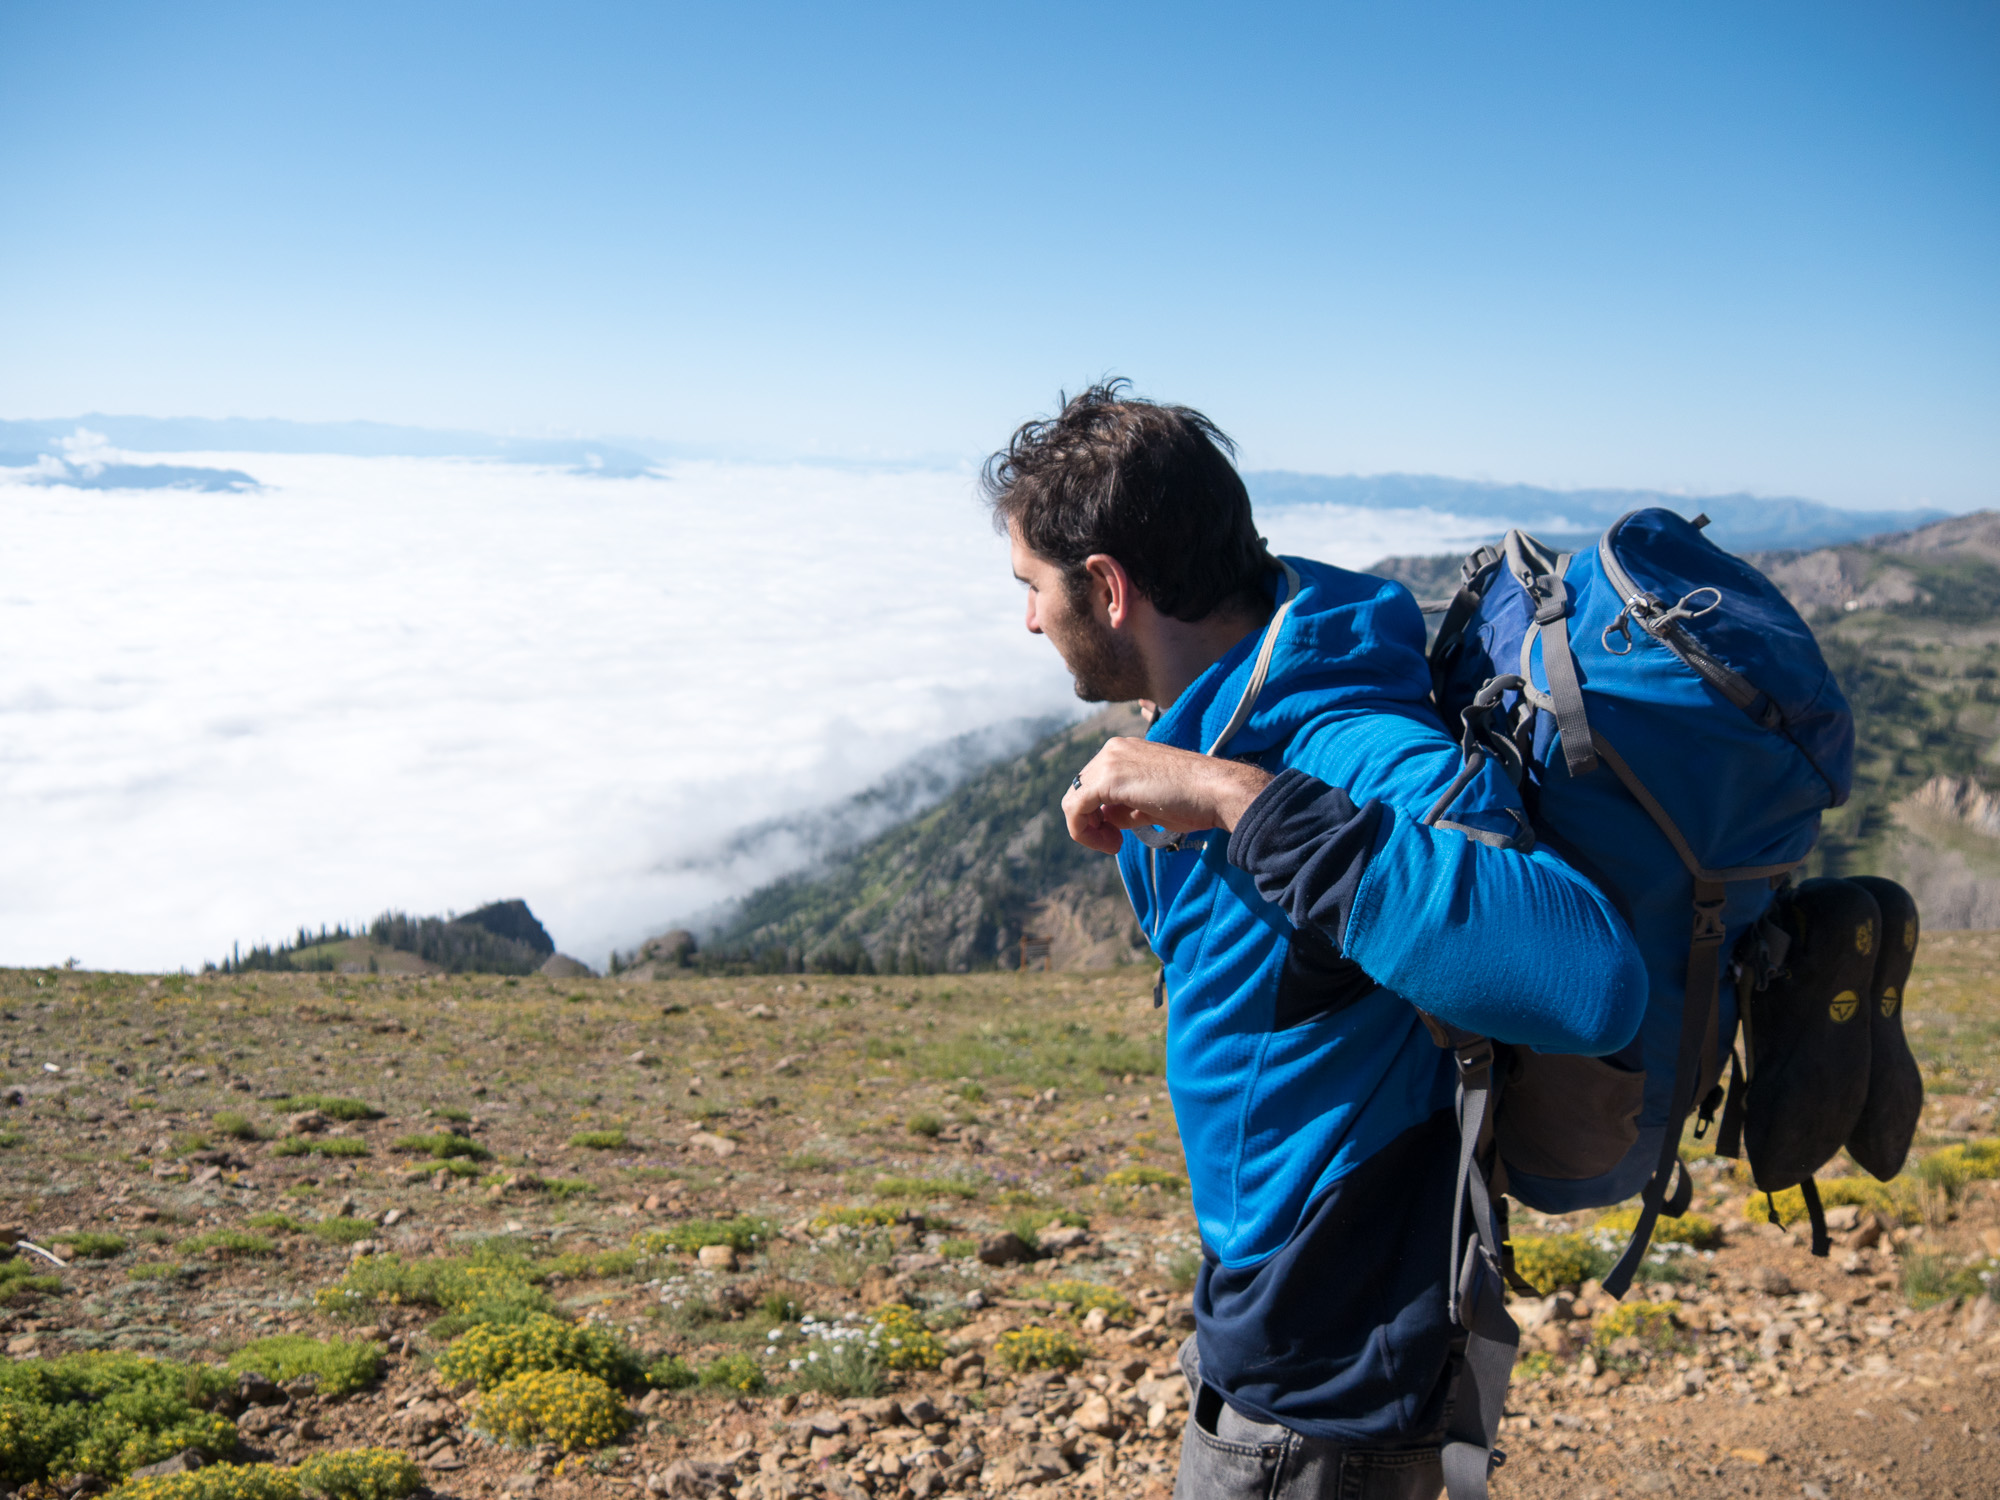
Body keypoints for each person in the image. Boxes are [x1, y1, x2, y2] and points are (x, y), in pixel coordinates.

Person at [985, 383, 1648, 1500]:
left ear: (1104, 589)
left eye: (1030, 589)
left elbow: (1590, 978)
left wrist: (1236, 797)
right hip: (1281, 1316)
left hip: (1326, 1375)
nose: (1025, 620)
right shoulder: (1237, 700)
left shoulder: (1341, 741)